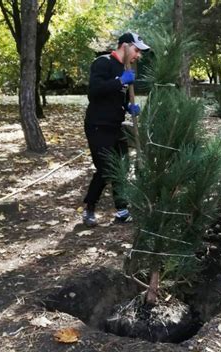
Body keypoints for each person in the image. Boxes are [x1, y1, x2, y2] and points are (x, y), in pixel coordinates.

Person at [82, 32, 150, 226]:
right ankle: (89, 209)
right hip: (97, 126)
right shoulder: (102, 63)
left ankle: (122, 210)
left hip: (115, 126)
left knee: (122, 166)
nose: (138, 55)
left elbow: (116, 97)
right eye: (136, 50)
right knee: (105, 169)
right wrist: (120, 81)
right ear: (125, 46)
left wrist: (128, 107)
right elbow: (94, 92)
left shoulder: (124, 67)